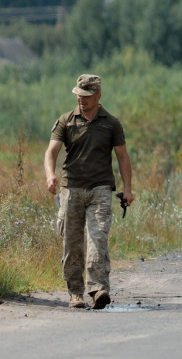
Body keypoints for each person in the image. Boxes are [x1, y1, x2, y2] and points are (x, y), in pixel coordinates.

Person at [44, 74, 135, 310]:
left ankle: (98, 289)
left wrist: (127, 188)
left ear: (98, 96)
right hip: (71, 189)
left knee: (98, 240)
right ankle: (76, 293)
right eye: (78, 95)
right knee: (72, 244)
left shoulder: (111, 123)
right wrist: (50, 175)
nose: (81, 100)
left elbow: (123, 157)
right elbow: (51, 152)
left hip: (100, 190)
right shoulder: (66, 121)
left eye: (86, 96)